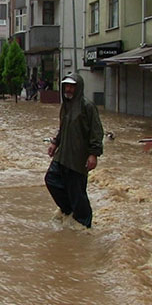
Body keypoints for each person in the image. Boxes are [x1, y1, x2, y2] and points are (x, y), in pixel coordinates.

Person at [44, 73, 104, 228]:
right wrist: (55, 143)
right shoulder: (66, 105)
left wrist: (93, 154)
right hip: (62, 154)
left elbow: (96, 131)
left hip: (78, 158)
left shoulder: (87, 106)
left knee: (77, 192)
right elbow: (63, 128)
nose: (69, 89)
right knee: (51, 179)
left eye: (72, 86)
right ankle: (67, 209)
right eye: (67, 86)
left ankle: (84, 224)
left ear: (78, 88)